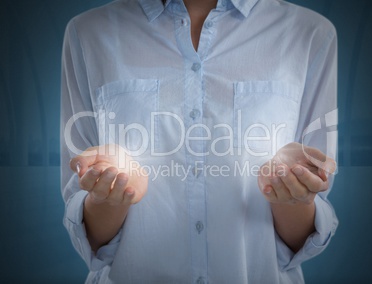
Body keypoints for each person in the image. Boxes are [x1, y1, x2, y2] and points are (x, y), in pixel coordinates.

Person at [60, 0, 338, 283]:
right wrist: (109, 195)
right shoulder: (88, 34)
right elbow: (90, 241)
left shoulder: (309, 34)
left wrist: (292, 192)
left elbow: (300, 243)